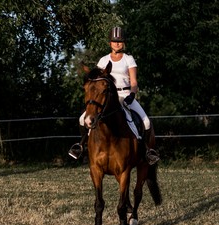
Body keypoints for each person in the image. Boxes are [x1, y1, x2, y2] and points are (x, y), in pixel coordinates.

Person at [68, 27, 159, 165]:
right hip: (107, 97)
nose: (117, 44)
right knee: (82, 119)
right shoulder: (103, 60)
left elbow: (134, 81)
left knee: (145, 122)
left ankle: (147, 151)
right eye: (114, 41)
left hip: (125, 95)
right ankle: (82, 147)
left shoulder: (129, 59)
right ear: (110, 43)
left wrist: (132, 94)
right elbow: (96, 80)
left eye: (120, 41)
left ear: (124, 43)